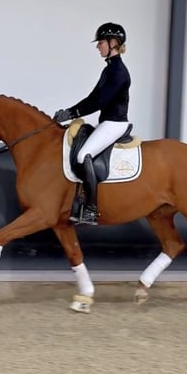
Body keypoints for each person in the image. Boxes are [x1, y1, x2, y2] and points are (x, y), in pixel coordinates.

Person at [53, 22, 132, 226]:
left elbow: (99, 101)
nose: (98, 46)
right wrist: (69, 111)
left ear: (113, 43)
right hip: (107, 122)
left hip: (115, 123)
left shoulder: (118, 72)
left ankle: (91, 209)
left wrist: (72, 113)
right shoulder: (109, 69)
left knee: (82, 155)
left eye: (101, 43)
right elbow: (92, 97)